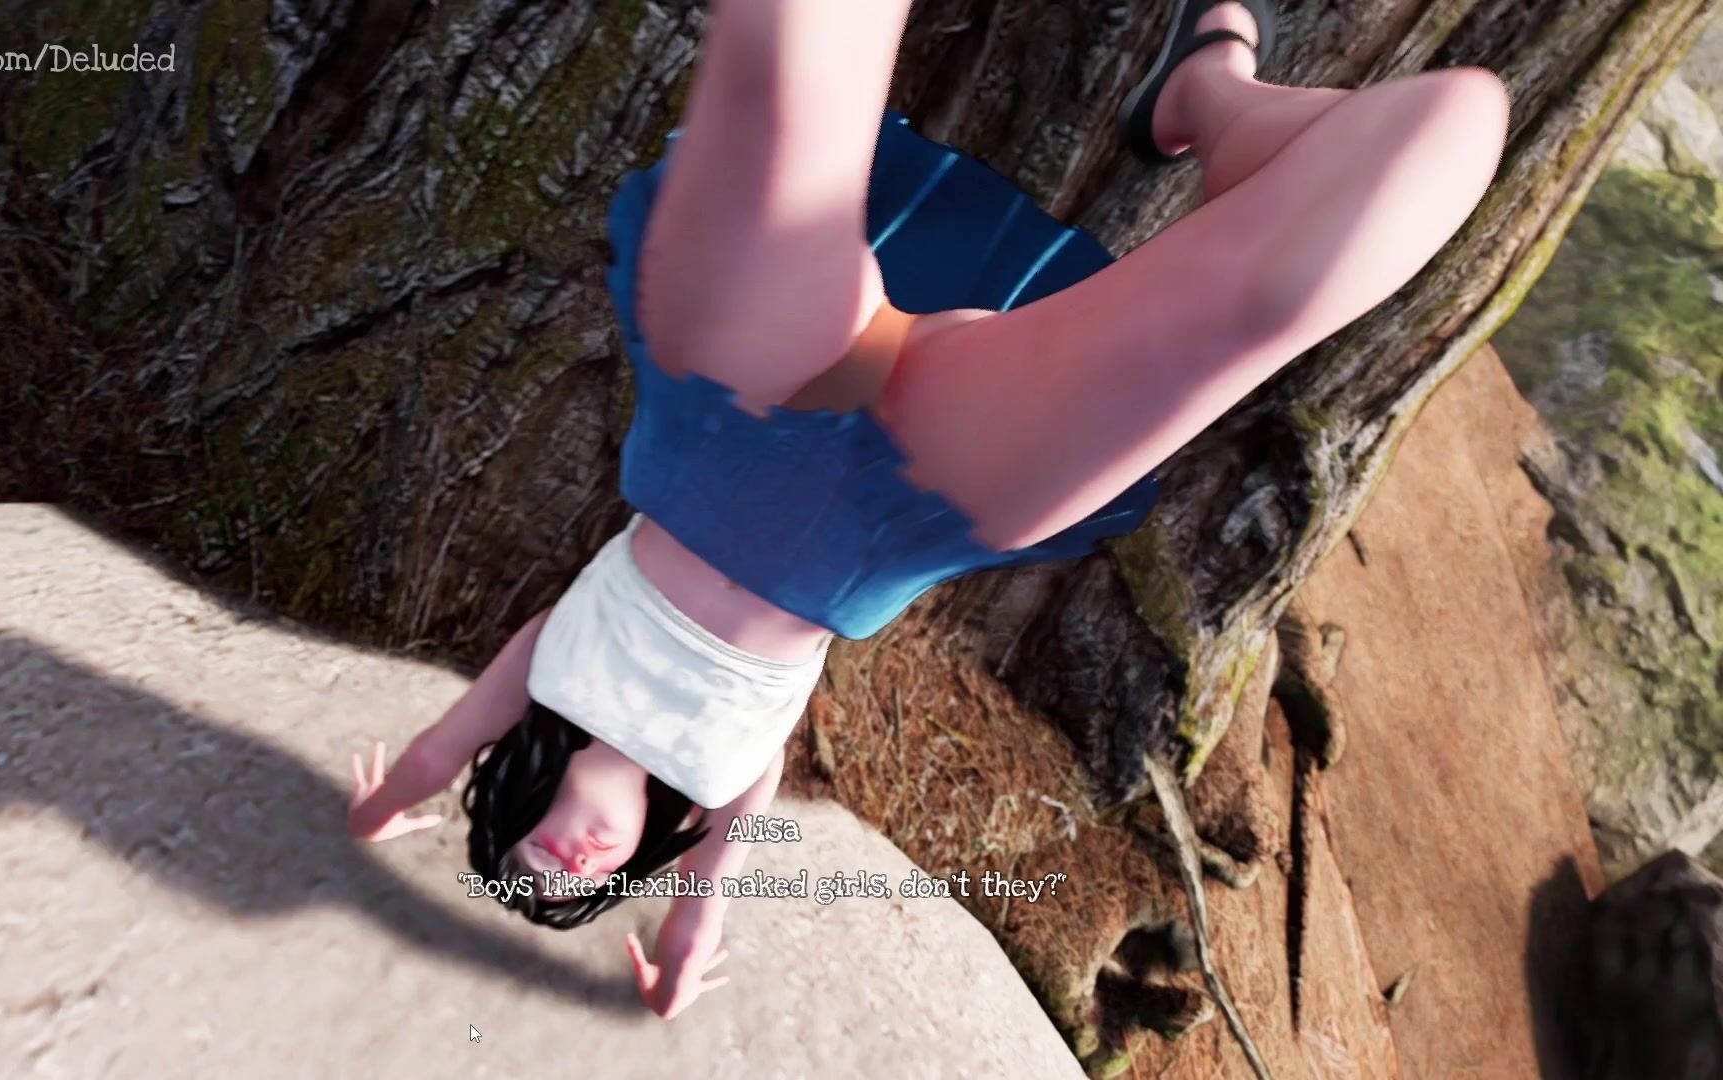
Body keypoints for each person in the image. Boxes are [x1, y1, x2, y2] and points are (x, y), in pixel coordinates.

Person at [346, 0, 1509, 1020]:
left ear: (513, 796)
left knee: (788, 66)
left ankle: (1207, 96)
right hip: (911, 503)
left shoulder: (550, 679)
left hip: (735, 406)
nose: (570, 856)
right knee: (1431, 141)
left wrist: (384, 809)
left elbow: (440, 748)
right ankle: (1213, 94)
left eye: (532, 855)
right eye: (582, 885)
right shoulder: (711, 790)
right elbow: (719, 875)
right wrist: (686, 950)